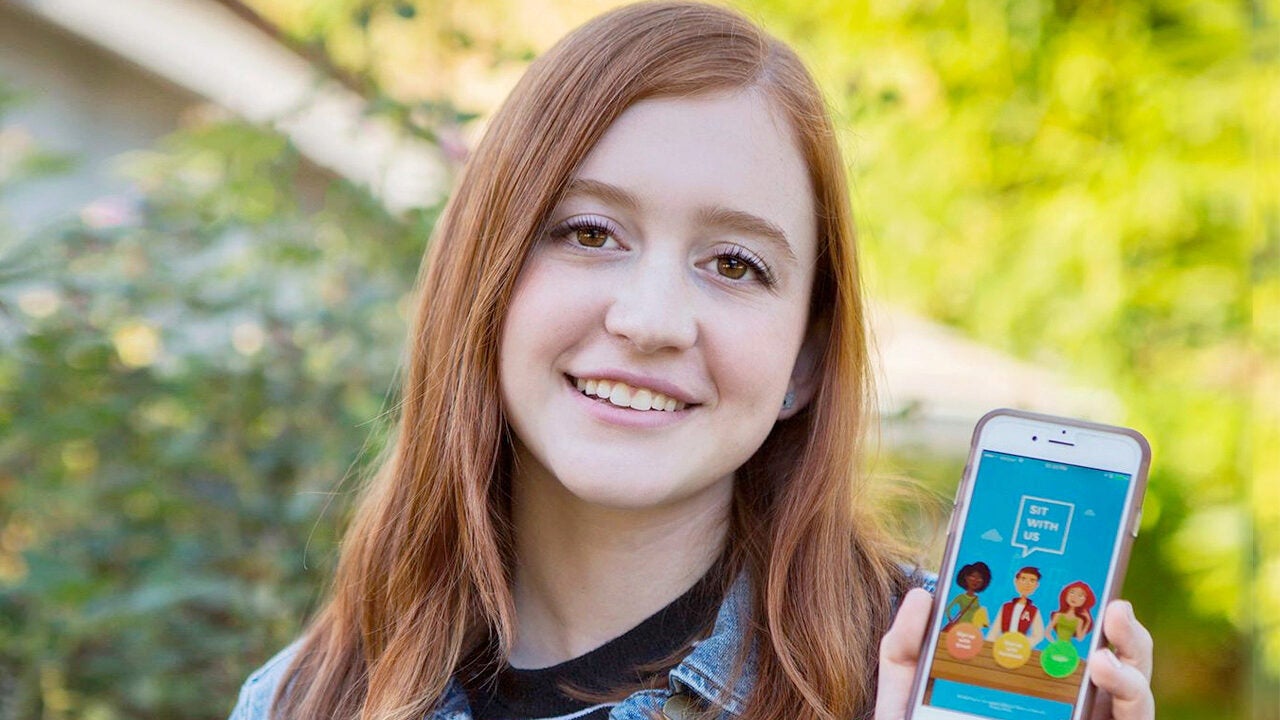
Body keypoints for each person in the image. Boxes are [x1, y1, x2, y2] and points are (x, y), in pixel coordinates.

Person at [228, 3, 1156, 719]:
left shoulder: (913, 680)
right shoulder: (308, 695)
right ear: (485, 279)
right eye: (589, 231)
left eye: (736, 264)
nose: (652, 320)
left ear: (804, 359)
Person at [989, 566, 1048, 647]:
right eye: (1023, 579)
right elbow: (995, 630)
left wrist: (1022, 644)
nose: (1027, 584)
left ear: (1037, 585)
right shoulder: (1006, 606)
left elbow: (1039, 635)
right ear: (1016, 581)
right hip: (1001, 646)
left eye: (1032, 580)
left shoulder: (1033, 610)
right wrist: (990, 645)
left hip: (1019, 649)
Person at [941, 561, 992, 633]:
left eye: (980, 578)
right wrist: (951, 620)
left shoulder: (976, 599)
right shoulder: (961, 597)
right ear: (966, 577)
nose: (976, 580)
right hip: (960, 627)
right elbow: (948, 609)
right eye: (973, 576)